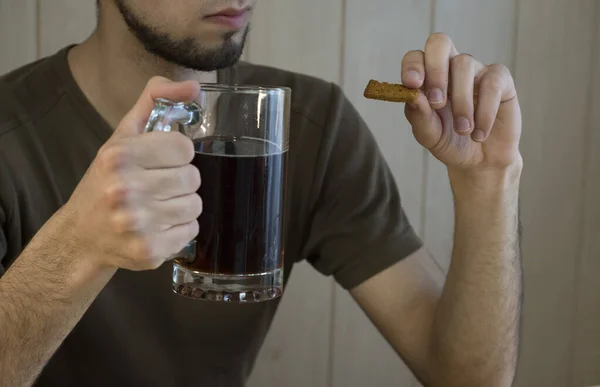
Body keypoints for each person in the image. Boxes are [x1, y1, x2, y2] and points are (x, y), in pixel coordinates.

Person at [0, 0, 523, 386]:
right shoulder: (10, 134)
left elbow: (467, 378)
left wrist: (490, 180)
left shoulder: (309, 126)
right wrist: (75, 246)